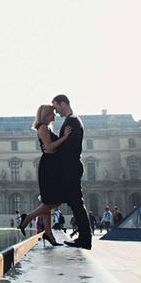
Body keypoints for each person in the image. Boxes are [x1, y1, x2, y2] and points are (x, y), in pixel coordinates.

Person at [17, 104, 72, 246]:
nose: (54, 115)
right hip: (49, 168)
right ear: (45, 115)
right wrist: (65, 137)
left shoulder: (45, 128)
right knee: (55, 202)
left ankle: (48, 234)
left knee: (48, 202)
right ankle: (27, 218)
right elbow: (49, 147)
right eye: (52, 113)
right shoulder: (43, 128)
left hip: (51, 165)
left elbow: (49, 148)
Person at [52, 94, 92, 249]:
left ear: (63, 104)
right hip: (72, 165)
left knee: (76, 203)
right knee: (75, 202)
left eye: (56, 107)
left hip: (71, 166)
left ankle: (85, 239)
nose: (55, 112)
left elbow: (69, 147)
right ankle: (84, 237)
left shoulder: (72, 121)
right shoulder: (73, 120)